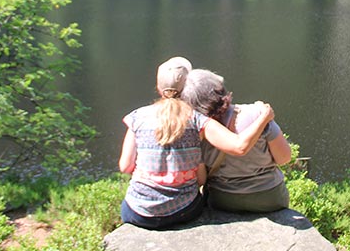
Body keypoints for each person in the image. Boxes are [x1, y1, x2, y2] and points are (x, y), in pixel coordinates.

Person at [118, 56, 275, 229]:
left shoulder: (136, 117)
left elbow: (125, 167)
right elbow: (239, 147)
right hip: (185, 211)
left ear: (158, 87)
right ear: (187, 87)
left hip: (138, 213)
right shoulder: (198, 120)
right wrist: (264, 117)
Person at [181, 68, 292, 213]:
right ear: (219, 90)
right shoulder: (257, 114)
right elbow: (284, 158)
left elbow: (200, 179)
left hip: (222, 200)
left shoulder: (194, 130)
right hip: (270, 197)